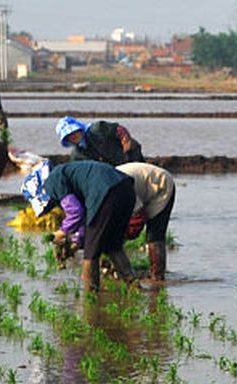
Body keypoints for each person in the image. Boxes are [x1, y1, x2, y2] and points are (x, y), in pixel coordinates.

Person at [23, 160, 137, 294]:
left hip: (105, 192)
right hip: (126, 189)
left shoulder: (52, 181)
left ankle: (91, 296)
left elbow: (76, 212)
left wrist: (61, 232)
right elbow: (88, 217)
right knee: (113, 245)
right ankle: (134, 286)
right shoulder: (67, 174)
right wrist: (77, 242)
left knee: (91, 253)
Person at [116, 162, 177, 283]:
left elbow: (138, 218)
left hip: (161, 185)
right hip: (142, 184)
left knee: (154, 235)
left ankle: (157, 277)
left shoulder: (121, 189)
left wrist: (122, 238)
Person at [56, 116, 143, 166]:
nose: (73, 136)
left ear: (79, 129)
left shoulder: (97, 129)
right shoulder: (77, 155)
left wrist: (125, 141)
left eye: (74, 132)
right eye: (69, 136)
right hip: (115, 169)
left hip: (131, 154)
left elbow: (119, 129)